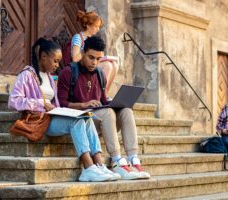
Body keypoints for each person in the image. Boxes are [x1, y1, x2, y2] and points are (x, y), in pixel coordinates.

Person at [8, 37, 120, 182]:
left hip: (51, 118)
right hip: (39, 121)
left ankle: (99, 164)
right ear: (43, 57)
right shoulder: (27, 75)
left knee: (86, 116)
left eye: (58, 61)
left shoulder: (49, 78)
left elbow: (57, 104)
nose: (57, 65)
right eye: (55, 61)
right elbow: (13, 101)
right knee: (76, 121)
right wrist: (41, 103)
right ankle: (88, 168)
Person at [57, 35, 150, 180]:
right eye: (91, 57)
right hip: (81, 122)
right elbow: (61, 104)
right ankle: (117, 160)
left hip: (100, 120)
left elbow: (102, 100)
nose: (95, 62)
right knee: (107, 113)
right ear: (82, 52)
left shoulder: (100, 74)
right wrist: (83, 104)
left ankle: (133, 159)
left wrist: (113, 102)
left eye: (98, 59)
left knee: (125, 110)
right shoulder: (68, 73)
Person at [71, 10, 119, 92]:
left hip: (91, 64)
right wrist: (86, 49)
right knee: (108, 65)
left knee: (114, 65)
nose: (98, 29)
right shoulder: (78, 37)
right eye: (96, 26)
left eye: (99, 27)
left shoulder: (93, 38)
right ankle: (99, 93)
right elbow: (75, 59)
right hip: (81, 67)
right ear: (88, 25)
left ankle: (104, 93)